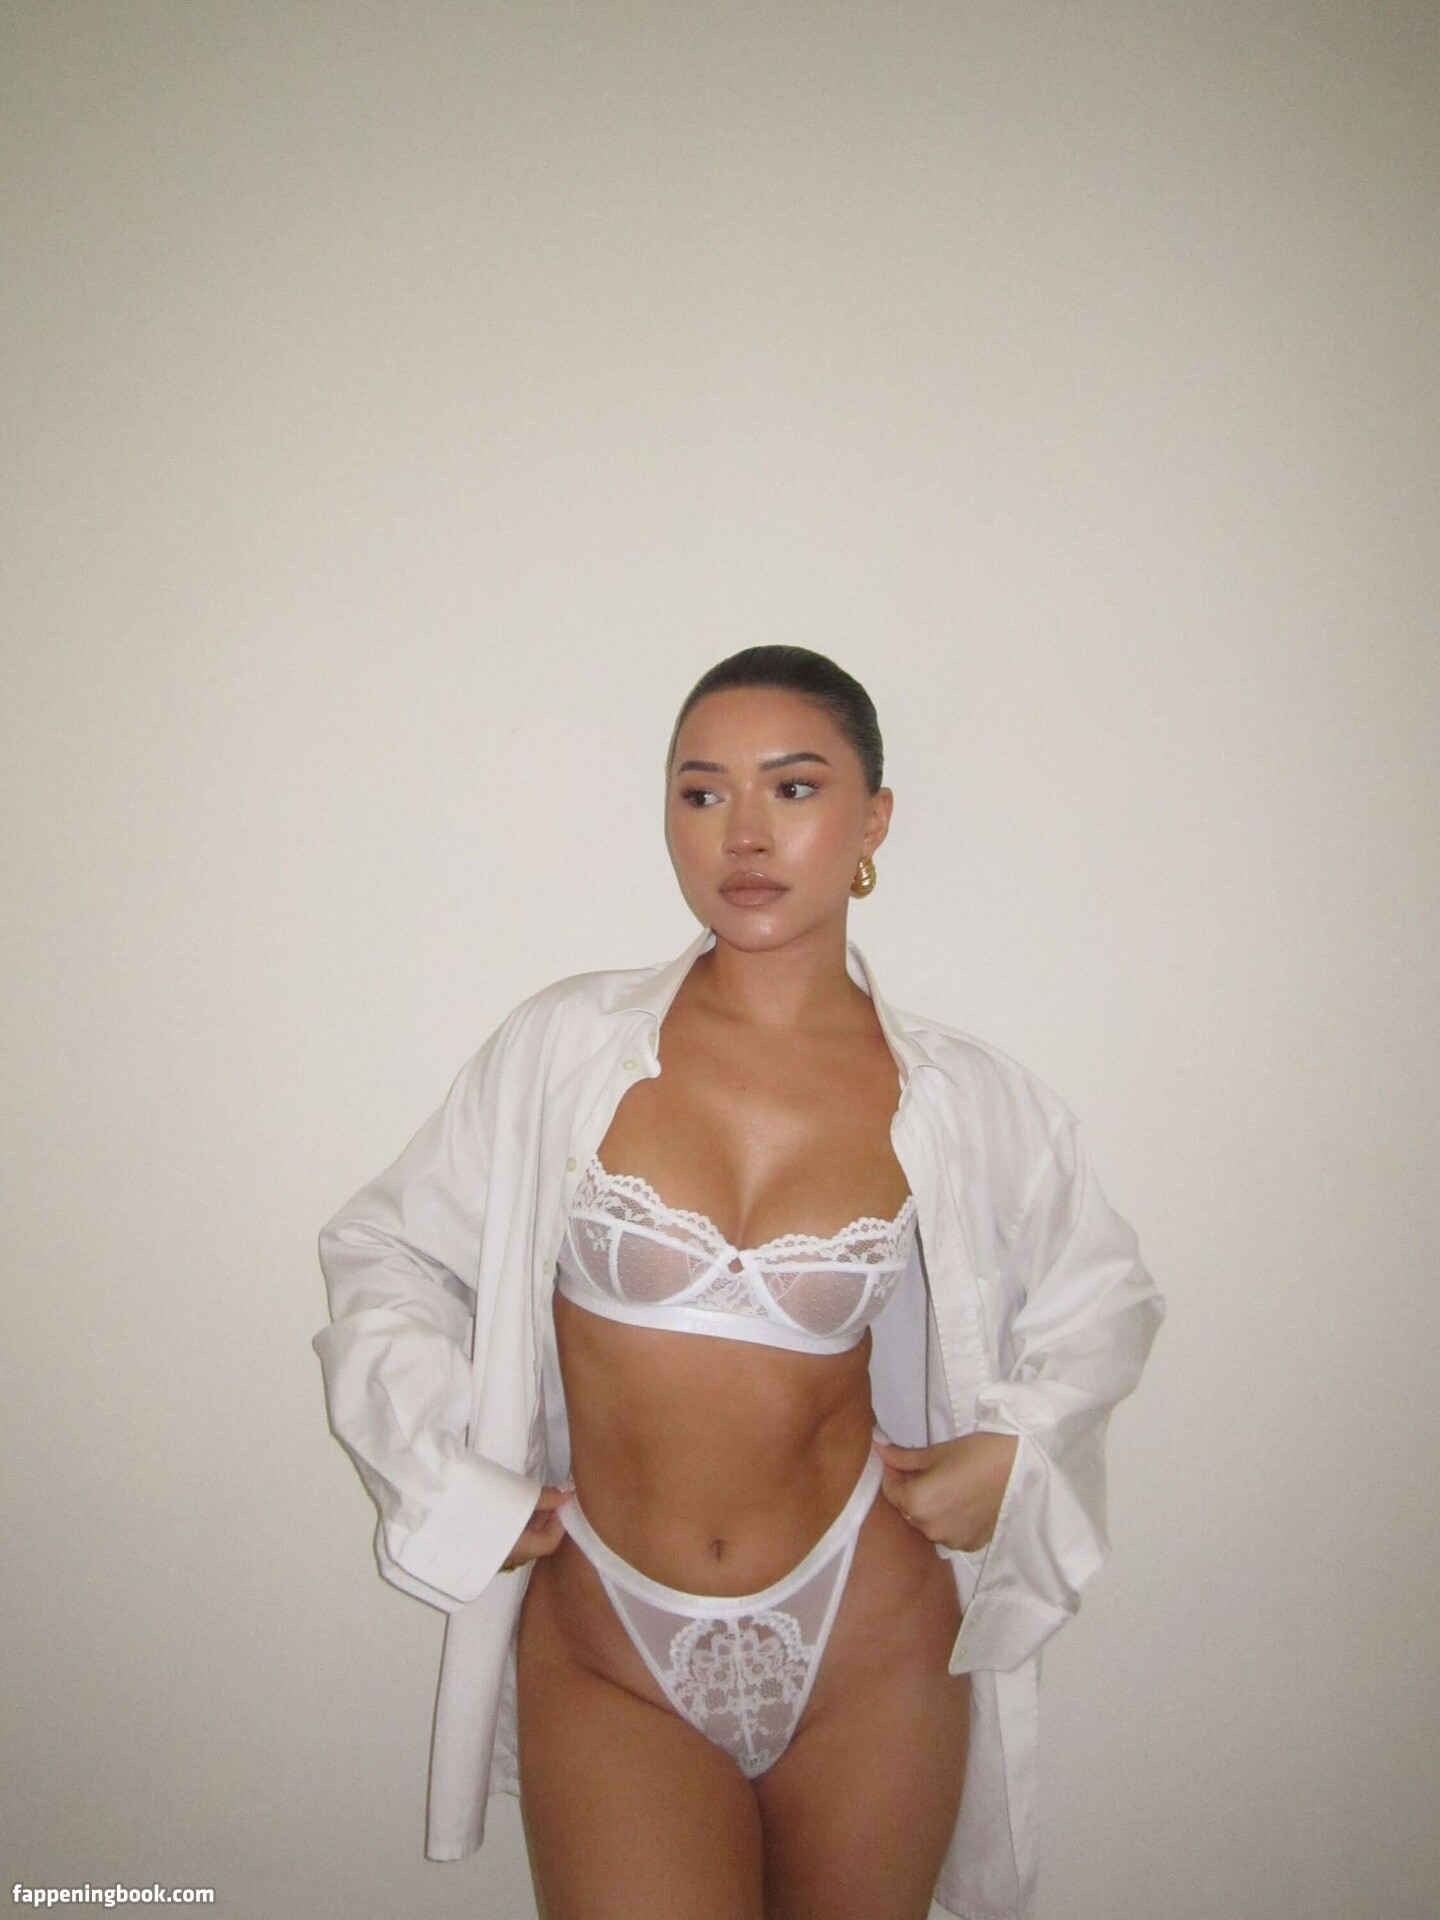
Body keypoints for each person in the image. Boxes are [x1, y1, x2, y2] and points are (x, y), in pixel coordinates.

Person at [313, 646, 1165, 1920]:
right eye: (703, 793)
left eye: (795, 788)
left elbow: (1108, 1298)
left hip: (869, 1637)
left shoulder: (957, 1097)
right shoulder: (567, 1049)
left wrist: (1020, 1450)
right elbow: (389, 1253)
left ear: (874, 821)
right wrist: (445, 1481)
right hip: (611, 1643)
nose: (745, 835)